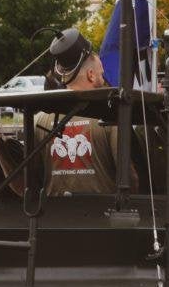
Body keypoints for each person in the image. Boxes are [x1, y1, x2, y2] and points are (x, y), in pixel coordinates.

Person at [35, 29, 124, 196]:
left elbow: (31, 180)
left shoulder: (39, 119)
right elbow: (129, 177)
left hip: (52, 217)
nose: (103, 78)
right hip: (102, 217)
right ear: (91, 75)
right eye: (101, 74)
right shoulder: (110, 116)